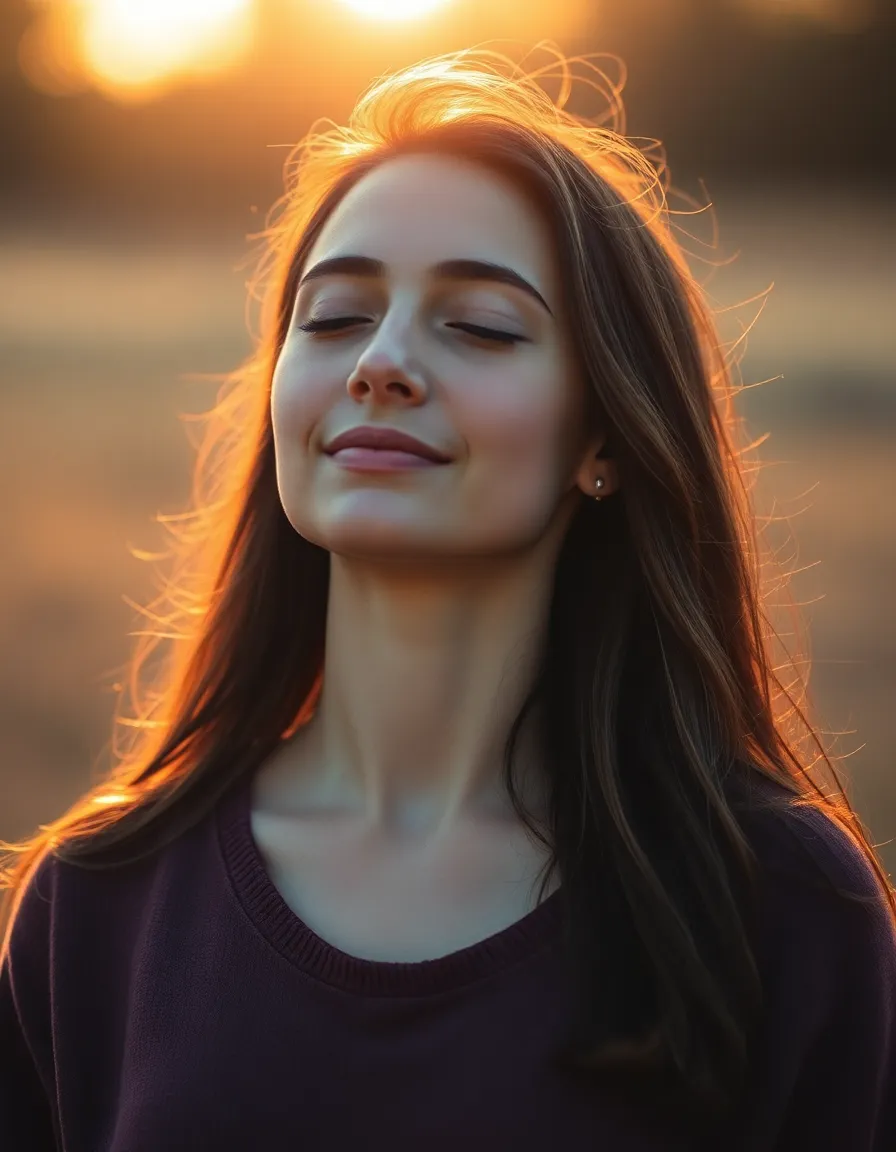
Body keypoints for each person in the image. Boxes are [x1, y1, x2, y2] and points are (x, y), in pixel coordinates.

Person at [1, 46, 894, 1152]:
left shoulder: (783, 908)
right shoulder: (101, 903)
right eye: (332, 318)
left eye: (476, 325)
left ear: (604, 435)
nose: (380, 362)